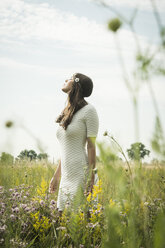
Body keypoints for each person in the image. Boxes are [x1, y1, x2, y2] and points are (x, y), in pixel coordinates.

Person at [49, 72, 99, 215]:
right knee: (61, 220)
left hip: (81, 173)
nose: (65, 79)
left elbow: (91, 146)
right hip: (66, 175)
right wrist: (56, 176)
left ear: (76, 84)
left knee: (83, 222)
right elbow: (66, 149)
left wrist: (90, 178)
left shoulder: (89, 110)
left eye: (70, 78)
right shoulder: (67, 112)